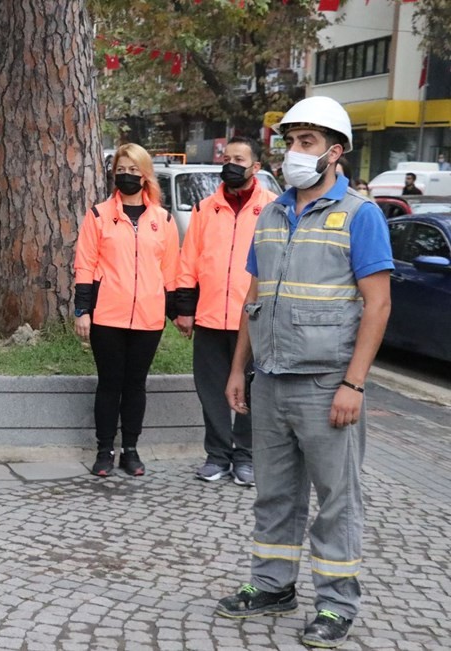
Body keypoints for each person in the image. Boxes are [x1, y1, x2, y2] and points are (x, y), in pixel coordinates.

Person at [216, 96, 392, 649]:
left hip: (325, 385)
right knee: (275, 493)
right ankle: (272, 585)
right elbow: (254, 295)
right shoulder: (271, 212)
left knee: (337, 498)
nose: (293, 152)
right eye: (290, 141)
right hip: (269, 379)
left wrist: (354, 383)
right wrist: (239, 370)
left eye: (307, 142)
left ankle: (337, 604)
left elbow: (379, 304)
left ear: (335, 153)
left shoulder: (360, 216)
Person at [174, 136, 277, 487]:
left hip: (254, 318)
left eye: (239, 158)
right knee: (211, 388)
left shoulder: (274, 209)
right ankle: (217, 455)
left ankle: (246, 455)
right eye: (226, 157)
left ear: (255, 168)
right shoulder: (205, 208)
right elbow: (189, 260)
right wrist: (184, 308)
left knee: (251, 388)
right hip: (210, 316)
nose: (230, 163)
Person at [74, 143, 180, 478]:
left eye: (134, 170)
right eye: (121, 169)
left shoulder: (163, 219)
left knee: (136, 384)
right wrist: (83, 310)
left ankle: (130, 449)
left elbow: (171, 270)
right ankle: (104, 449)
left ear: (145, 174)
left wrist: (177, 312)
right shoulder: (98, 215)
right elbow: (85, 265)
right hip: (107, 315)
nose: (127, 175)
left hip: (148, 317)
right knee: (109, 383)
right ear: (113, 172)